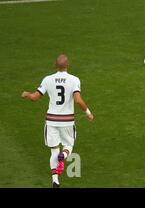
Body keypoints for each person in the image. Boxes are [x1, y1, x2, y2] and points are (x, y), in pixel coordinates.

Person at [21, 54, 94, 188]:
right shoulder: (74, 80)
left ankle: (55, 180)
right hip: (67, 121)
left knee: (54, 151)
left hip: (51, 121)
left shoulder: (47, 79)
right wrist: (88, 112)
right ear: (68, 65)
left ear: (55, 66)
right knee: (69, 145)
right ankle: (64, 156)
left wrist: (26, 94)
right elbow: (78, 100)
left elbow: (34, 98)